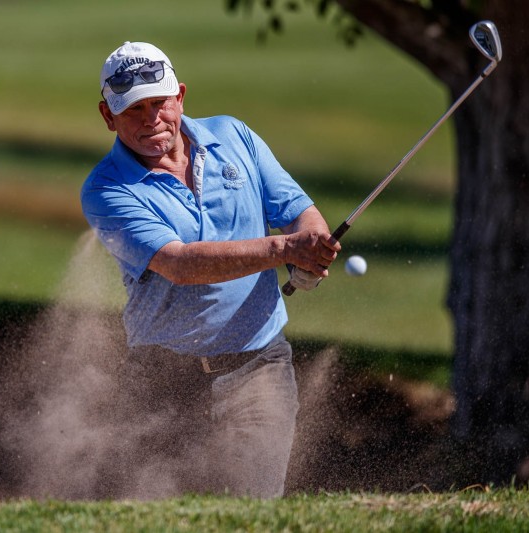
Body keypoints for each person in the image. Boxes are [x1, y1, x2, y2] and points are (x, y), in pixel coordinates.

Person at [80, 41, 340, 498]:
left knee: (250, 510)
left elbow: (298, 210)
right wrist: (286, 249)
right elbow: (179, 264)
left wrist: (313, 246)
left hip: (257, 368)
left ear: (180, 96)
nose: (150, 119)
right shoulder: (105, 189)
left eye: (158, 103)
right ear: (108, 115)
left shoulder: (234, 136)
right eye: (133, 109)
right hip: (163, 380)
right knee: (160, 515)